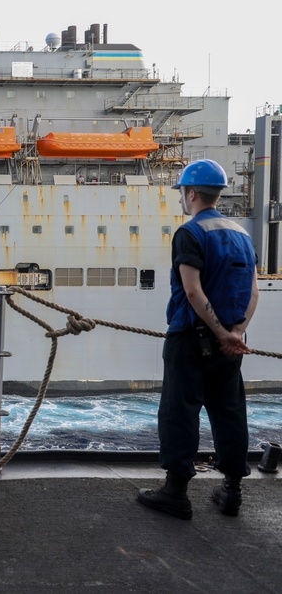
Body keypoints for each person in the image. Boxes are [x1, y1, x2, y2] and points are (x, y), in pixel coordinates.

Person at [137, 159, 258, 519]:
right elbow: (253, 293)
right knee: (230, 412)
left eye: (181, 193)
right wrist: (234, 334)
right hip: (230, 346)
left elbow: (192, 291)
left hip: (190, 339)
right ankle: (232, 491)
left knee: (179, 412)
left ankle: (175, 493)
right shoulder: (243, 235)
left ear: (190, 193)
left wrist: (219, 332)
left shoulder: (189, 233)